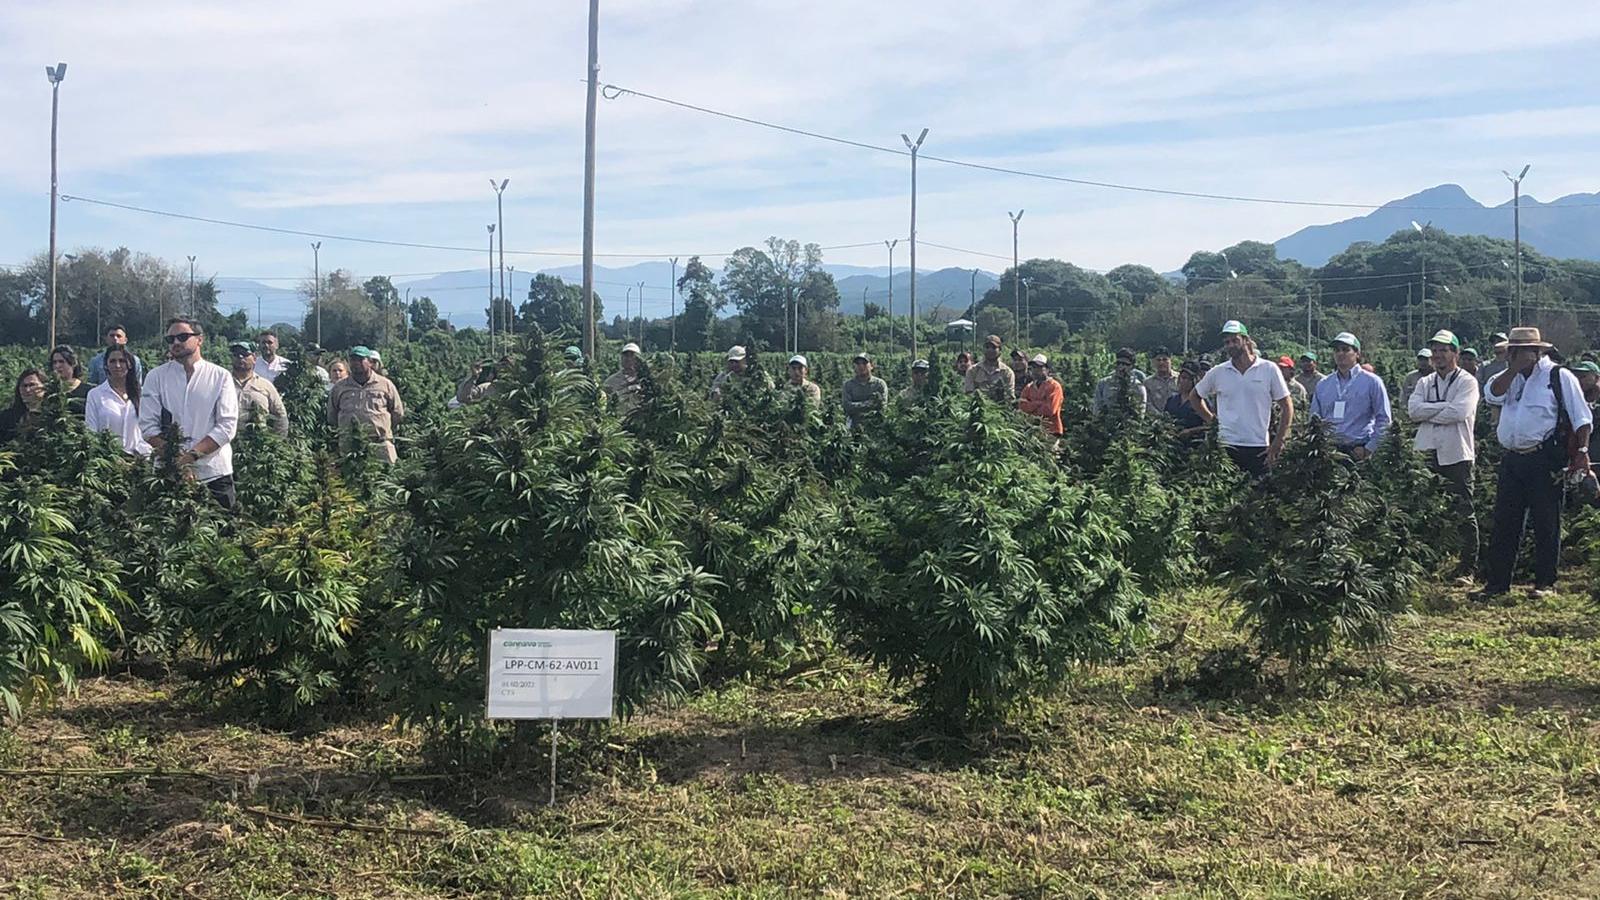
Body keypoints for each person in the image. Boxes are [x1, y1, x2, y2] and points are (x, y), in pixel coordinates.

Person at [1479, 327, 1594, 600]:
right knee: (1505, 522)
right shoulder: (1508, 378)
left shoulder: (1558, 376)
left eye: (1524, 351)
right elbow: (1492, 394)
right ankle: (1497, 584)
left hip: (1544, 457)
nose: (1518, 356)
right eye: (1513, 351)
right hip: (1512, 458)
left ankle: (1546, 583)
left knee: (1546, 522)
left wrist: (1582, 451)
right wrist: (1513, 370)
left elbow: (1582, 418)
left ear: (1538, 351)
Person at [138, 318, 240, 509]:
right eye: (170, 339)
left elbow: (227, 426)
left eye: (182, 337)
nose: (176, 343)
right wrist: (175, 460)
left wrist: (190, 458)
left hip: (214, 473)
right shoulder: (156, 376)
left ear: (199, 339)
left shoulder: (220, 376)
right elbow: (147, 426)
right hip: (168, 473)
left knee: (224, 534)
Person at [1408, 330, 1480, 577]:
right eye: (1435, 351)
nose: (1438, 356)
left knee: (1463, 510)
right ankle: (1428, 564)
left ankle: (1466, 568)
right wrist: (1441, 408)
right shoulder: (1424, 382)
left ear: (1455, 353)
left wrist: (1430, 412)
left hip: (1456, 453)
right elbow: (1413, 411)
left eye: (1443, 350)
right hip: (1427, 451)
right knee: (1425, 509)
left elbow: (1459, 413)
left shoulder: (1467, 382)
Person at [1192, 320, 1292, 477]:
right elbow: (1195, 396)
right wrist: (1212, 421)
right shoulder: (1219, 372)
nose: (1231, 345)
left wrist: (1279, 440)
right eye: (1227, 342)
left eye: (1235, 340)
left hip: (1258, 445)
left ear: (1246, 340)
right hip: (1226, 445)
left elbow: (1287, 405)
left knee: (1258, 495)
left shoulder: (1268, 369)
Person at [1309, 332, 1391, 460]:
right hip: (1329, 452)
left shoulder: (1372, 382)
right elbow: (1314, 419)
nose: (1340, 354)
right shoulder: (1323, 385)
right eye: (1337, 350)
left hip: (1358, 450)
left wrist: (1369, 448)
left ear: (1357, 353)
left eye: (1346, 350)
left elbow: (1384, 419)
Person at [328, 346, 405, 464]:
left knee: (385, 478)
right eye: (352, 360)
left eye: (360, 359)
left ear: (370, 362)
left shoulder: (385, 384)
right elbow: (332, 415)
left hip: (380, 443)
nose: (355, 363)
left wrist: (383, 427)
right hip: (350, 445)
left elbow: (397, 412)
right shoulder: (340, 387)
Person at [85, 346, 152, 456]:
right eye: (112, 361)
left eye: (122, 361)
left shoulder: (144, 394)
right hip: (108, 461)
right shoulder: (95, 395)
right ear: (106, 365)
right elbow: (91, 431)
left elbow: (150, 430)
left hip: (140, 461)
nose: (117, 365)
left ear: (130, 364)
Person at [228, 341, 289, 436]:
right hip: (226, 441)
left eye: (245, 354)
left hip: (258, 442)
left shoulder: (265, 385)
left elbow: (280, 416)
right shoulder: (223, 383)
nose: (240, 357)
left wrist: (278, 442)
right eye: (236, 355)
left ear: (254, 358)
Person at [1018, 354, 1064, 439]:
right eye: (1034, 367)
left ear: (1047, 369)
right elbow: (1022, 406)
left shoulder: (1054, 386)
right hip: (1032, 431)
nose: (1036, 370)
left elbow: (1050, 410)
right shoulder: (1029, 387)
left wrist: (1031, 406)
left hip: (1052, 431)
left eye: (1039, 367)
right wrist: (1040, 403)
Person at [1164, 360, 1208, 446]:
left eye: (1186, 378)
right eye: (1181, 377)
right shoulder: (1172, 399)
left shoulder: (1202, 401)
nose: (1182, 381)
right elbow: (1164, 419)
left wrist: (1191, 431)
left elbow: (1211, 424)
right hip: (1172, 445)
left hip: (1194, 446)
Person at [1093, 347, 1148, 415]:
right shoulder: (1103, 383)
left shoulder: (1138, 387)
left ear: (1132, 366)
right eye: (1118, 363)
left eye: (1125, 364)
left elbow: (1140, 412)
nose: (1120, 367)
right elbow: (1097, 408)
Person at [841, 352, 888, 429]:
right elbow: (847, 407)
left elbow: (882, 406)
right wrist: (868, 404)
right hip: (854, 426)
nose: (861, 366)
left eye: (864, 363)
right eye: (858, 364)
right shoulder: (848, 385)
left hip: (876, 426)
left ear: (872, 366)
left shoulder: (879, 384)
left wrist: (857, 406)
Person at [963, 335, 1016, 401]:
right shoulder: (973, 370)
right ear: (983, 349)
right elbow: (969, 394)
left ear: (1000, 350)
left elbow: (1010, 396)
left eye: (994, 348)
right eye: (987, 347)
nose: (990, 350)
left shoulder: (1007, 372)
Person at [0, 369, 46, 444]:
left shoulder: (53, 415)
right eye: (24, 386)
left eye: (32, 385)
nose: (27, 390)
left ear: (44, 387)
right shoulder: (6, 418)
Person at [602, 342, 645, 414]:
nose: (628, 358)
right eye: (626, 355)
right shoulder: (610, 382)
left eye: (632, 355)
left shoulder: (645, 380)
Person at [1143, 348, 1178, 415]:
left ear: (1170, 360)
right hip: (1156, 420)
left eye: (1165, 359)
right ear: (1154, 362)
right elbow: (1147, 403)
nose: (1161, 363)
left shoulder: (1180, 379)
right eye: (1158, 360)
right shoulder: (1148, 382)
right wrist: (1160, 417)